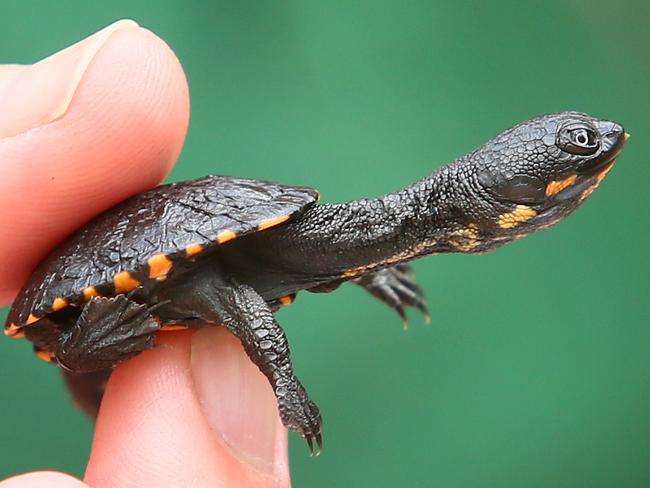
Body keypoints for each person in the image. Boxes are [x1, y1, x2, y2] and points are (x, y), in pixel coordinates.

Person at [0, 20, 292, 488]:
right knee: (78, 357)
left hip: (173, 279)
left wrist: (375, 271)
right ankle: (87, 356)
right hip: (81, 310)